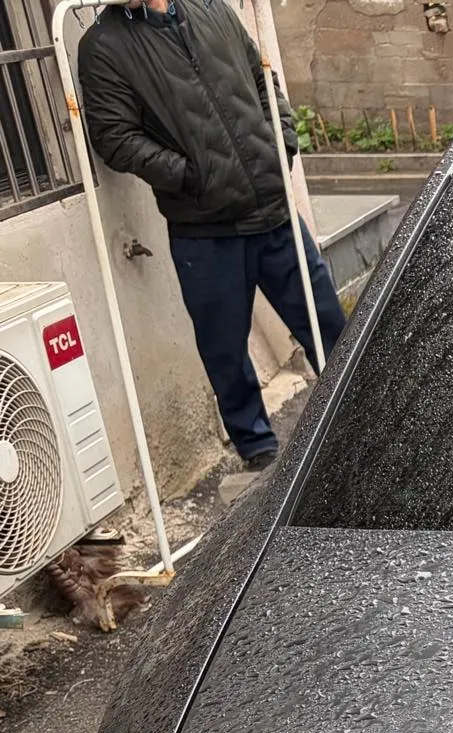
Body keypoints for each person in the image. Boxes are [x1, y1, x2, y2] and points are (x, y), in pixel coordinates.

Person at [77, 0, 347, 471]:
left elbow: (262, 77)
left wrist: (280, 138)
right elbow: (115, 138)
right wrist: (191, 175)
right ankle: (258, 450)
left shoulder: (210, 7)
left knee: (328, 324)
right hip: (205, 231)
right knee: (225, 351)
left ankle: (362, 417)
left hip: (274, 212)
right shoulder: (103, 44)